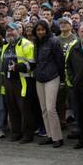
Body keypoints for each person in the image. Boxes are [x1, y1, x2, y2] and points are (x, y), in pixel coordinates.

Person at [31, 19, 67, 148]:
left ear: (47, 30)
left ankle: (58, 137)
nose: (40, 32)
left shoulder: (54, 41)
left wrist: (62, 78)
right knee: (44, 109)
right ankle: (49, 135)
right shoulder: (36, 43)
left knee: (51, 108)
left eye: (42, 29)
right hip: (39, 77)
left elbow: (60, 61)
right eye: (38, 30)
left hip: (52, 76)